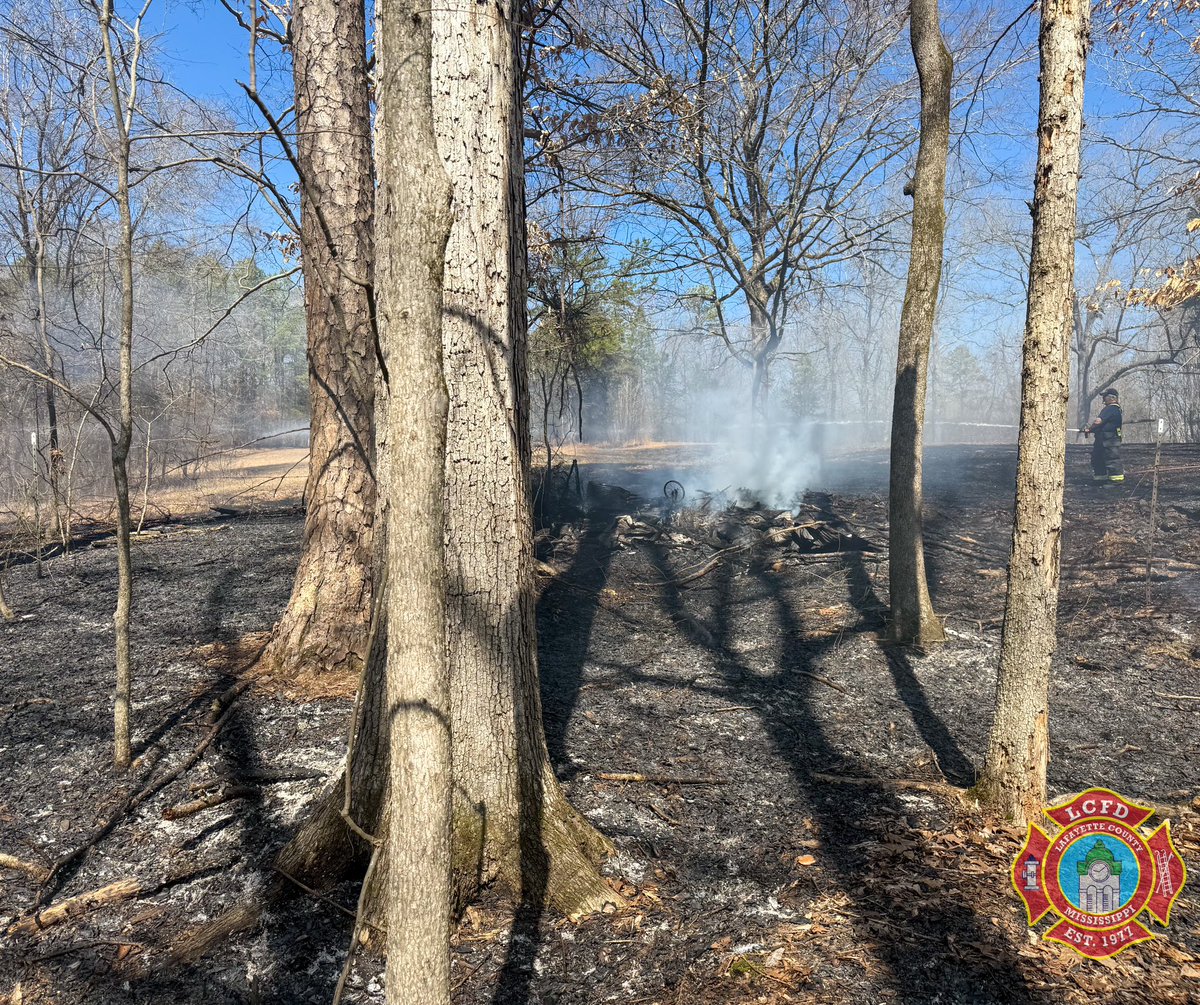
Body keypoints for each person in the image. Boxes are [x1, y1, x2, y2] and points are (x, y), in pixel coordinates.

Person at [1084, 388, 1123, 485]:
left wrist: (1089, 429)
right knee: (1098, 458)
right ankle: (1100, 479)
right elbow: (1104, 424)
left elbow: (1098, 421)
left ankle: (1116, 481)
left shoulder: (1110, 408)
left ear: (1111, 398)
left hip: (1109, 440)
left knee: (1111, 459)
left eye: (1105, 397)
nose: (1103, 399)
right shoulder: (1115, 409)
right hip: (1104, 439)